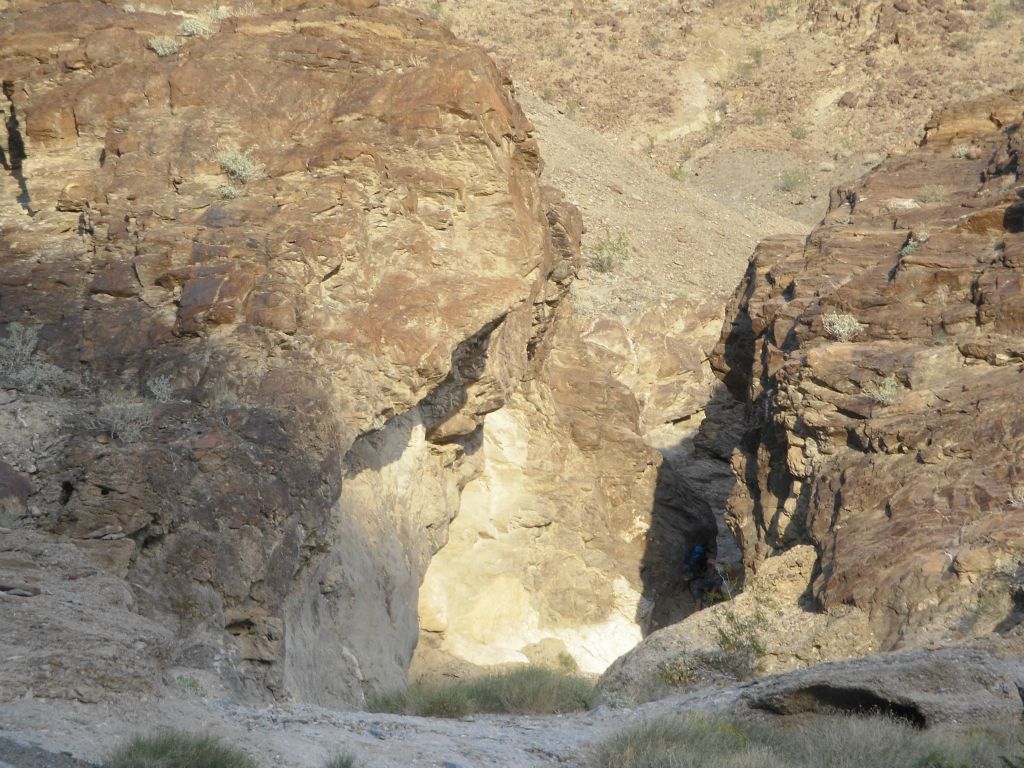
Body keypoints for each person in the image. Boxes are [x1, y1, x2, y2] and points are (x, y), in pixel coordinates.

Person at [681, 543, 724, 611]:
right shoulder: (701, 559)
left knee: (698, 602)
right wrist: (721, 562)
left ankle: (695, 617)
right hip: (699, 582)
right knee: (718, 580)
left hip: (692, 584)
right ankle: (711, 598)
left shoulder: (690, 559)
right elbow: (711, 561)